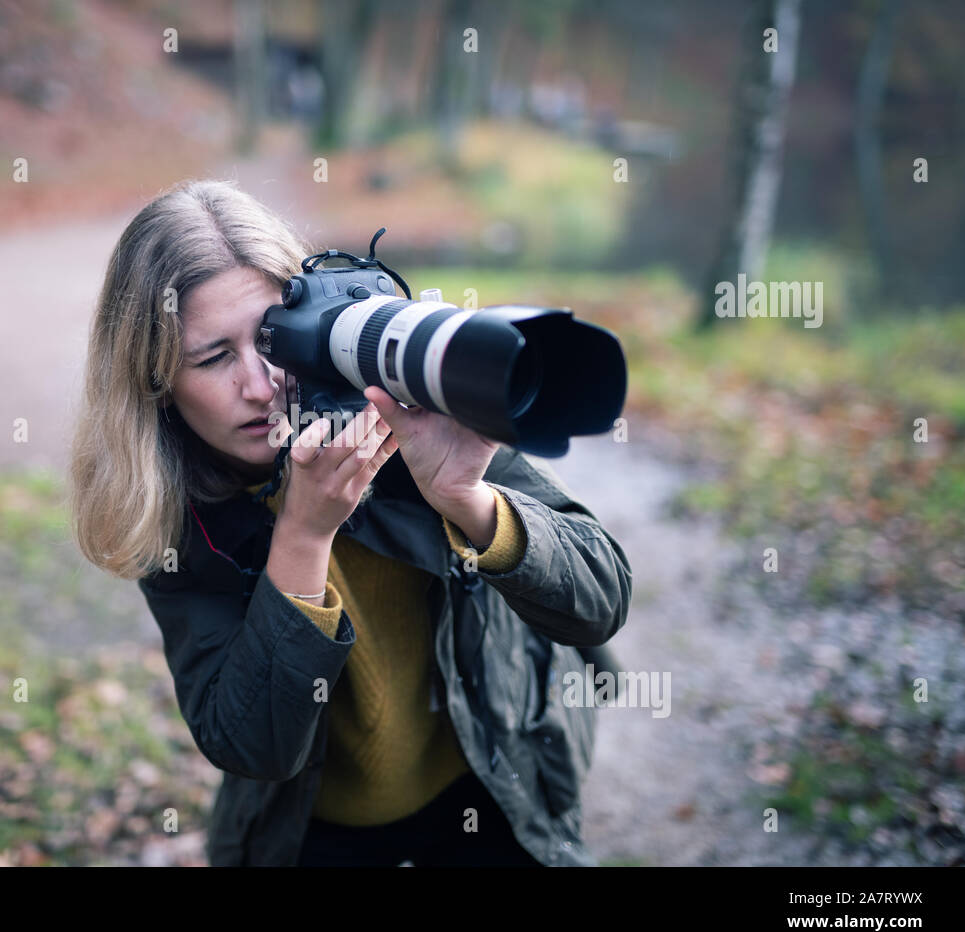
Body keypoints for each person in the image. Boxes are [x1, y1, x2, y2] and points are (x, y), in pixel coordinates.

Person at [69, 178, 632, 867]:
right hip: (313, 832)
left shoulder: (400, 409)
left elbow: (600, 599)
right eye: (214, 358)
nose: (260, 384)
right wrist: (302, 538)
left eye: (273, 340)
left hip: (490, 791)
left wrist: (466, 497)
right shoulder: (182, 518)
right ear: (154, 381)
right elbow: (253, 746)